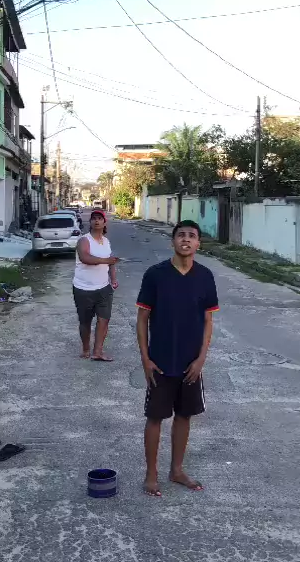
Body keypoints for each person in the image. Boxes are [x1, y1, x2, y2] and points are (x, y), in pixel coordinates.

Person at [136, 220, 219, 497]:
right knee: (155, 417)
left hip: (190, 363)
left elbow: (208, 321)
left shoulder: (205, 276)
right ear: (173, 241)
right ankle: (151, 475)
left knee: (184, 416)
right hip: (160, 362)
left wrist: (201, 359)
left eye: (191, 236)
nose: (186, 239)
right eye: (181, 235)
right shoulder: (155, 275)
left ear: (198, 244)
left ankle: (177, 470)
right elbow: (142, 318)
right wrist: (145, 359)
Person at [73, 209, 119, 361]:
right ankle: (86, 348)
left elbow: (111, 262)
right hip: (83, 289)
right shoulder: (84, 240)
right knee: (85, 322)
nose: (97, 221)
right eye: (94, 218)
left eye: (100, 218)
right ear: (90, 222)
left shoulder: (106, 242)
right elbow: (85, 257)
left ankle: (98, 352)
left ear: (104, 222)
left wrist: (113, 279)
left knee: (103, 319)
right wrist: (106, 261)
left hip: (103, 288)